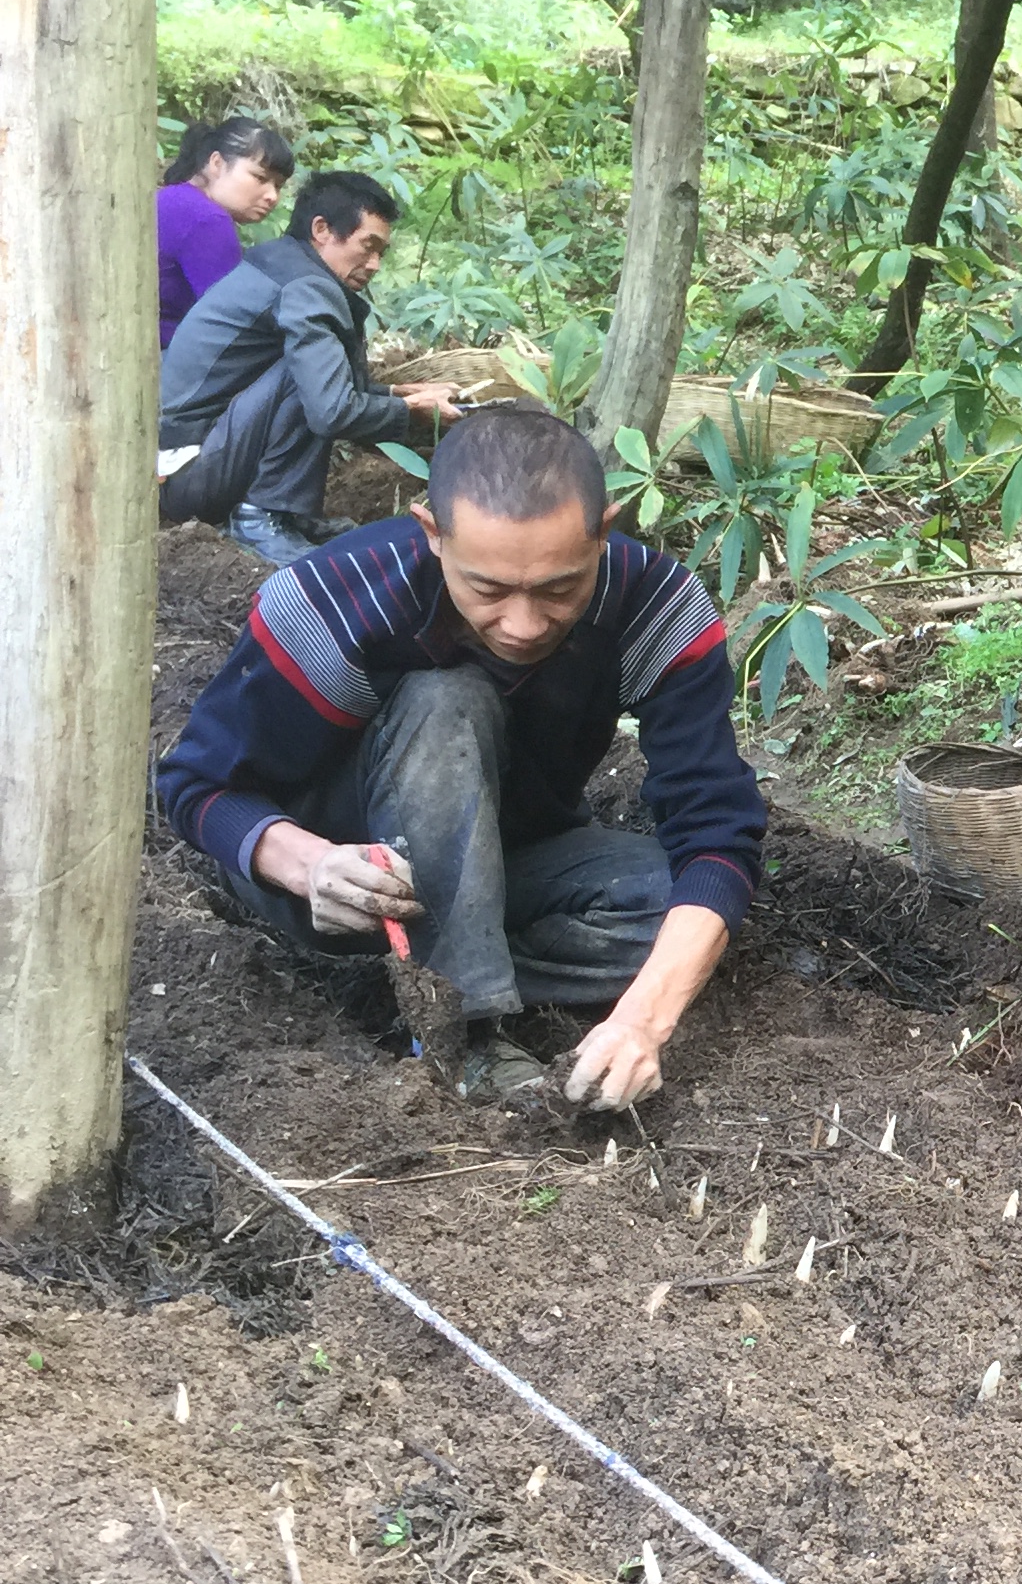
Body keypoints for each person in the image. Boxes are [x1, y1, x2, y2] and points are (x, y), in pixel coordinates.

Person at [156, 400, 764, 1110]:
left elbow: (717, 831)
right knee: (448, 701)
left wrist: (642, 1020)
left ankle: (415, 973)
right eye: (489, 588)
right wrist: (310, 864)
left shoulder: (655, 608)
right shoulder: (331, 605)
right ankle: (459, 1029)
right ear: (433, 534)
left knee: (677, 910)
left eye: (558, 587)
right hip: (335, 888)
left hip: (503, 863)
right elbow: (195, 785)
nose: (524, 623)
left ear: (605, 532)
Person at [158, 169, 463, 566]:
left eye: (381, 253)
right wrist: (407, 412)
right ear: (321, 229)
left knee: (311, 375)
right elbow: (331, 409)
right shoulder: (307, 287)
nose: (373, 265)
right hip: (192, 475)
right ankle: (259, 517)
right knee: (308, 379)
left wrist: (393, 395)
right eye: (366, 246)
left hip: (189, 460)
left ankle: (287, 513)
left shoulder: (282, 261)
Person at [156, 116, 295, 350]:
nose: (272, 196)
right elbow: (236, 323)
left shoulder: (172, 198)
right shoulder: (207, 220)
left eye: (278, 185)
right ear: (217, 163)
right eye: (260, 178)